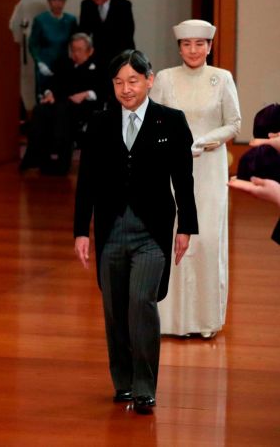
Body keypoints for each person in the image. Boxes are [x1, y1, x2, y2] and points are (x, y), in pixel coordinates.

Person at [74, 49, 198, 415]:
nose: (126, 89)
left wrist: (186, 227)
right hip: (111, 229)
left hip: (152, 231)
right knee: (114, 310)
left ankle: (146, 387)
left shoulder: (171, 122)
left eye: (133, 80)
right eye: (118, 82)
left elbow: (184, 180)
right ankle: (124, 382)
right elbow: (87, 183)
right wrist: (82, 230)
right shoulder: (99, 123)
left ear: (150, 79)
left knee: (141, 304)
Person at [150, 19, 241, 338]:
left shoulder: (222, 78)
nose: (193, 50)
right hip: (172, 168)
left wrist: (205, 139)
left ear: (209, 47)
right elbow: (153, 119)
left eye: (199, 44)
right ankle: (170, 318)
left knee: (206, 239)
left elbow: (234, 123)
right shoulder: (164, 78)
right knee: (172, 233)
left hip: (209, 168)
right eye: (186, 44)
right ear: (179, 47)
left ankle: (204, 320)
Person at [20, 33, 102, 175]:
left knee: (63, 111)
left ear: (90, 51)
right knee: (40, 110)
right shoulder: (64, 64)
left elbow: (104, 90)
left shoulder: (98, 67)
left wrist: (85, 94)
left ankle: (59, 158)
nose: (75, 53)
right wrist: (49, 93)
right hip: (61, 103)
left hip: (83, 106)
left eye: (80, 50)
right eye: (73, 49)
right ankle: (35, 156)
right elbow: (51, 84)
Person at [78, 0, 135, 84]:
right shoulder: (87, 5)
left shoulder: (123, 6)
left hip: (119, 57)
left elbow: (127, 35)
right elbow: (84, 34)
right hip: (95, 59)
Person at [28, 0, 78, 99]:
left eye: (60, 0)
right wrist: (39, 62)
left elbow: (76, 42)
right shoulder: (40, 20)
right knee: (44, 97)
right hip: (45, 64)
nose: (57, 3)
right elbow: (33, 44)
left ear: (65, 1)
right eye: (54, 0)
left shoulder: (70, 20)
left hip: (63, 65)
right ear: (49, 1)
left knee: (62, 96)